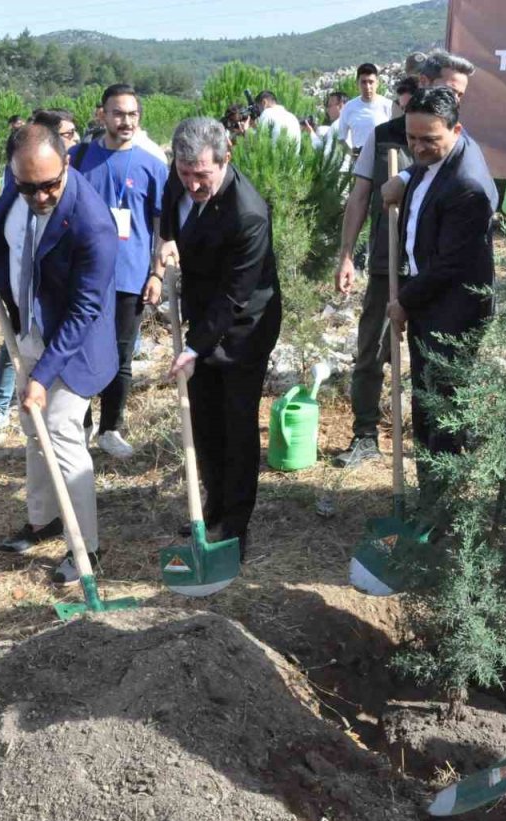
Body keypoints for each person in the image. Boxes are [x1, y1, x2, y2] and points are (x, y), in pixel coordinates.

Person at [0, 123, 119, 586]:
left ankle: (86, 547)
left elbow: (84, 311)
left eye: (49, 185)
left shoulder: (92, 223)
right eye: (27, 187)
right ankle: (43, 520)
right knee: (33, 429)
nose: (39, 196)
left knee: (59, 432)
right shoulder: (20, 182)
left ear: (66, 164)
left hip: (74, 345)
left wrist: (43, 377)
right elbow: (0, 233)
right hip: (29, 326)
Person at [333, 49, 480, 469]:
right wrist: (347, 254)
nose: (456, 98)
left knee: (437, 359)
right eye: (451, 89)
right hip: (388, 262)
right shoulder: (384, 136)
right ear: (426, 83)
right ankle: (365, 434)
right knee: (371, 351)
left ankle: (443, 440)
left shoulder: (458, 143)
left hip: (433, 272)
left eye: (461, 94)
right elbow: (360, 195)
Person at [153, 117, 281, 561]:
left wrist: (194, 348)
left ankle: (237, 525)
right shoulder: (182, 175)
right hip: (203, 312)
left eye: (202, 176)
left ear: (226, 159)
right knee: (204, 419)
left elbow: (234, 296)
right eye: (185, 173)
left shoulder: (248, 213)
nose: (192, 184)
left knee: (236, 424)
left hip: (244, 326)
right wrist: (166, 240)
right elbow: (169, 203)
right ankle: (212, 505)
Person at [385, 86, 496, 510]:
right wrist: (405, 177)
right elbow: (423, 167)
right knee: (426, 401)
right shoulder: (434, 159)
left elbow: (450, 265)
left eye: (429, 140)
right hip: (428, 299)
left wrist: (404, 302)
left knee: (441, 409)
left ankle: (441, 506)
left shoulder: (467, 186)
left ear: (457, 130)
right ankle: (431, 494)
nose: (417, 148)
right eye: (411, 138)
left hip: (452, 312)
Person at [69, 83, 169, 458]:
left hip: (130, 277)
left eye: (132, 114)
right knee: (78, 351)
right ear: (102, 115)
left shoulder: (152, 166)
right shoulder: (78, 159)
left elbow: (162, 226)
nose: (125, 121)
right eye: (118, 114)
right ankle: (80, 425)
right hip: (84, 276)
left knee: (120, 356)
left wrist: (156, 274)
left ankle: (110, 428)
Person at [335, 63, 393, 152]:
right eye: (364, 82)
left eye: (371, 82)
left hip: (382, 157)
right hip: (358, 157)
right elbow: (341, 138)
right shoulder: (349, 108)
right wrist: (351, 154)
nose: (367, 87)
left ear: (377, 83)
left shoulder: (388, 106)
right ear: (357, 83)